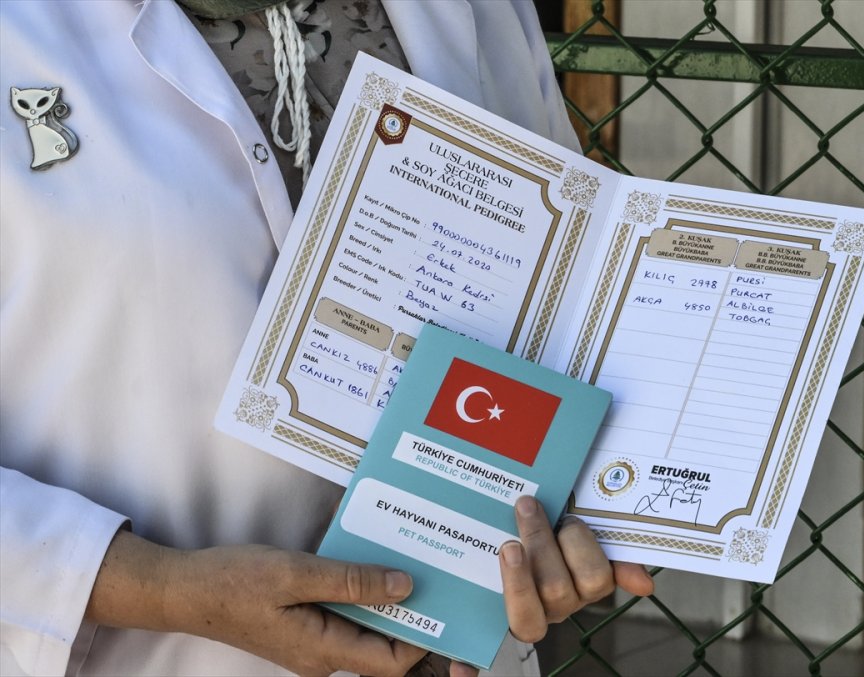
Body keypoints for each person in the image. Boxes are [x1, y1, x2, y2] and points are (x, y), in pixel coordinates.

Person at [0, 1, 653, 675]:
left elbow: (568, 310)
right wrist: (163, 589)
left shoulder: (473, 11)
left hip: (463, 650)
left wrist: (586, 513)